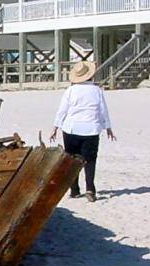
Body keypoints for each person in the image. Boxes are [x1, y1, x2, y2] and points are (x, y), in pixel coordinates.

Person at [49, 61, 116, 203]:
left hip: (71, 128)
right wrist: (108, 127)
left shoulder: (70, 91)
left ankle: (74, 189)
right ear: (90, 76)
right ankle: (90, 189)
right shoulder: (97, 90)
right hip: (91, 129)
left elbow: (63, 110)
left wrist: (55, 127)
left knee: (72, 159)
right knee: (90, 160)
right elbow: (103, 111)